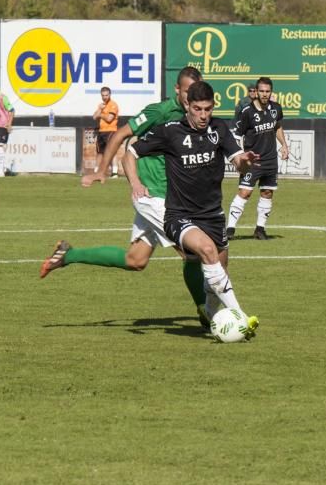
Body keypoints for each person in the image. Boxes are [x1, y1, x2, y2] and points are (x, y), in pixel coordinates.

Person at [51, 67, 210, 329]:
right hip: (153, 196)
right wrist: (102, 171)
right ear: (177, 89)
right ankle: (208, 312)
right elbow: (121, 134)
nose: (192, 97)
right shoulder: (159, 112)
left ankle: (68, 254)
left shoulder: (195, 115)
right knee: (192, 251)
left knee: (135, 260)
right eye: (187, 92)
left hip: (170, 196)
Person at [123, 79, 260, 331]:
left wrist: (245, 161)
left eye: (208, 109)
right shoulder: (170, 131)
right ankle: (240, 317)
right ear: (187, 106)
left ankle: (209, 313)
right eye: (198, 109)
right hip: (179, 216)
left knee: (219, 269)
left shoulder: (219, 128)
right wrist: (135, 183)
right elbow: (130, 153)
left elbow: (238, 162)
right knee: (207, 250)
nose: (203, 115)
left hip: (213, 215)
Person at [226, 76, 289, 241]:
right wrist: (240, 157)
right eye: (261, 91)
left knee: (267, 192)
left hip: (270, 160)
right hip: (252, 161)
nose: (264, 94)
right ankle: (230, 229)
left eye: (267, 91)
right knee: (245, 192)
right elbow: (237, 135)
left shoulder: (276, 108)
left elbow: (277, 126)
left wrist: (284, 144)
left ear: (271, 92)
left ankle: (260, 229)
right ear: (256, 92)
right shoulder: (247, 112)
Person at [93, 86, 119, 177]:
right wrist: (100, 109)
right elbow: (94, 117)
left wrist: (100, 114)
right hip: (101, 131)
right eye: (103, 95)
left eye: (106, 95)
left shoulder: (113, 105)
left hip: (111, 131)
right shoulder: (101, 105)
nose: (104, 97)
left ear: (109, 94)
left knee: (112, 151)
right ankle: (96, 171)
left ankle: (114, 172)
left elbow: (109, 119)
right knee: (99, 152)